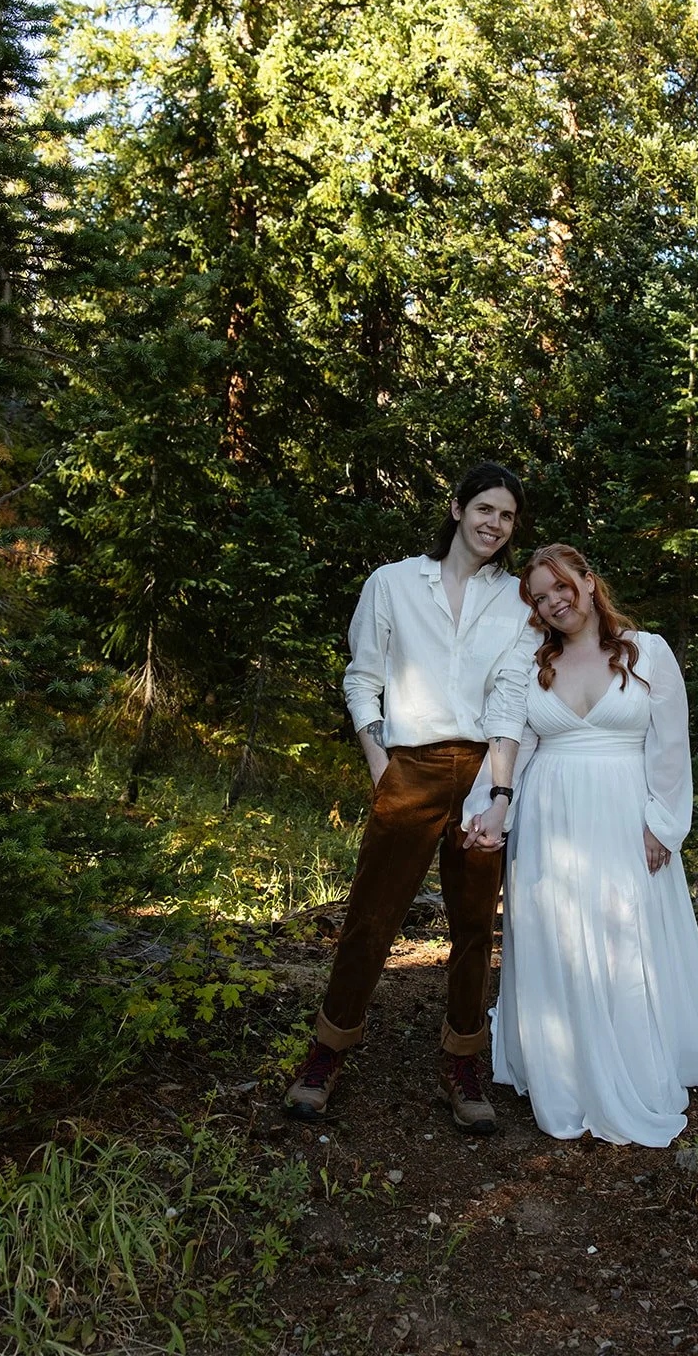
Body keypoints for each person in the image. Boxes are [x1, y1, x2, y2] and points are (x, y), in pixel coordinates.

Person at [466, 543, 698, 1148]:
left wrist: (662, 822)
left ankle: (634, 1058)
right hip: (553, 820)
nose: (553, 604)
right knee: (559, 934)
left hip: (626, 814)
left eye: (560, 588)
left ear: (587, 580)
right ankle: (566, 1067)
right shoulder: (533, 660)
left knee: (627, 934)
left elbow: (670, 746)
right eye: (540, 599)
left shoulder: (646, 651)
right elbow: (510, 739)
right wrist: (492, 806)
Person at [285, 464, 535, 1132]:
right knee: (371, 918)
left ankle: (462, 1064)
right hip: (410, 767)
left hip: (483, 770)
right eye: (484, 508)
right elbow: (361, 677)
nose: (494, 524)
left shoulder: (516, 602)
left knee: (475, 927)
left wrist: (502, 793)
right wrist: (380, 767)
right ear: (456, 509)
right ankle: (326, 1053)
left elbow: (510, 698)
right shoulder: (392, 582)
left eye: (507, 516)